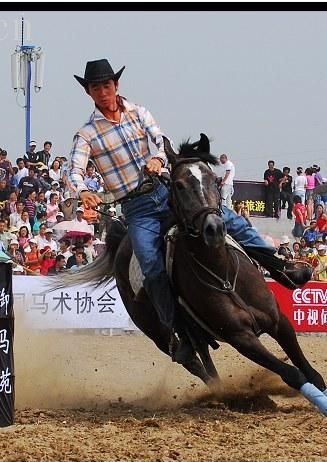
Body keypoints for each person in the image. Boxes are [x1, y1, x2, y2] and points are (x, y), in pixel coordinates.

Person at [66, 58, 310, 359]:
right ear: (88, 92)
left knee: (229, 220)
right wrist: (84, 190)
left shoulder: (139, 113)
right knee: (151, 266)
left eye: (106, 84)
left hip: (166, 190)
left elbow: (159, 139)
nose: (102, 91)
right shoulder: (87, 134)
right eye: (95, 87)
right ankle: (175, 330)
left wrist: (158, 157)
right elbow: (74, 170)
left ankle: (281, 267)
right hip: (138, 209)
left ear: (116, 85)